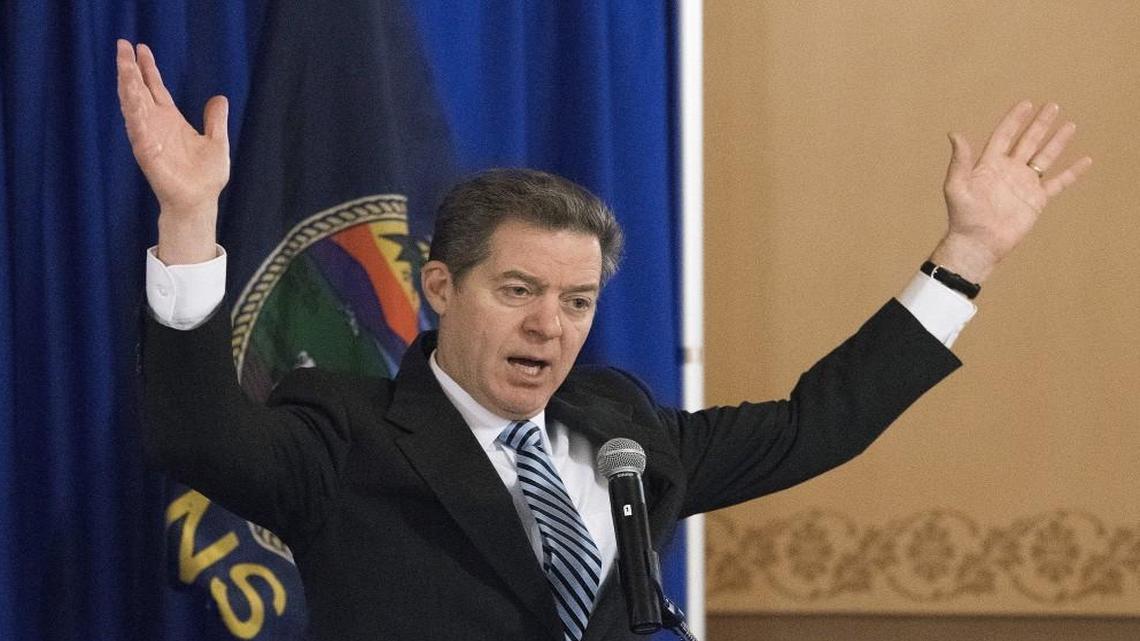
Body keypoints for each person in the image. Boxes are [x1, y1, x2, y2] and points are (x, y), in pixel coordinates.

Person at [117, 39, 1090, 641]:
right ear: (440, 287)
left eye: (578, 300)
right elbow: (199, 435)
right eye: (519, 289)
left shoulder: (616, 424)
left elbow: (813, 424)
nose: (551, 323)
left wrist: (964, 256)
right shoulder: (346, 425)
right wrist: (190, 220)